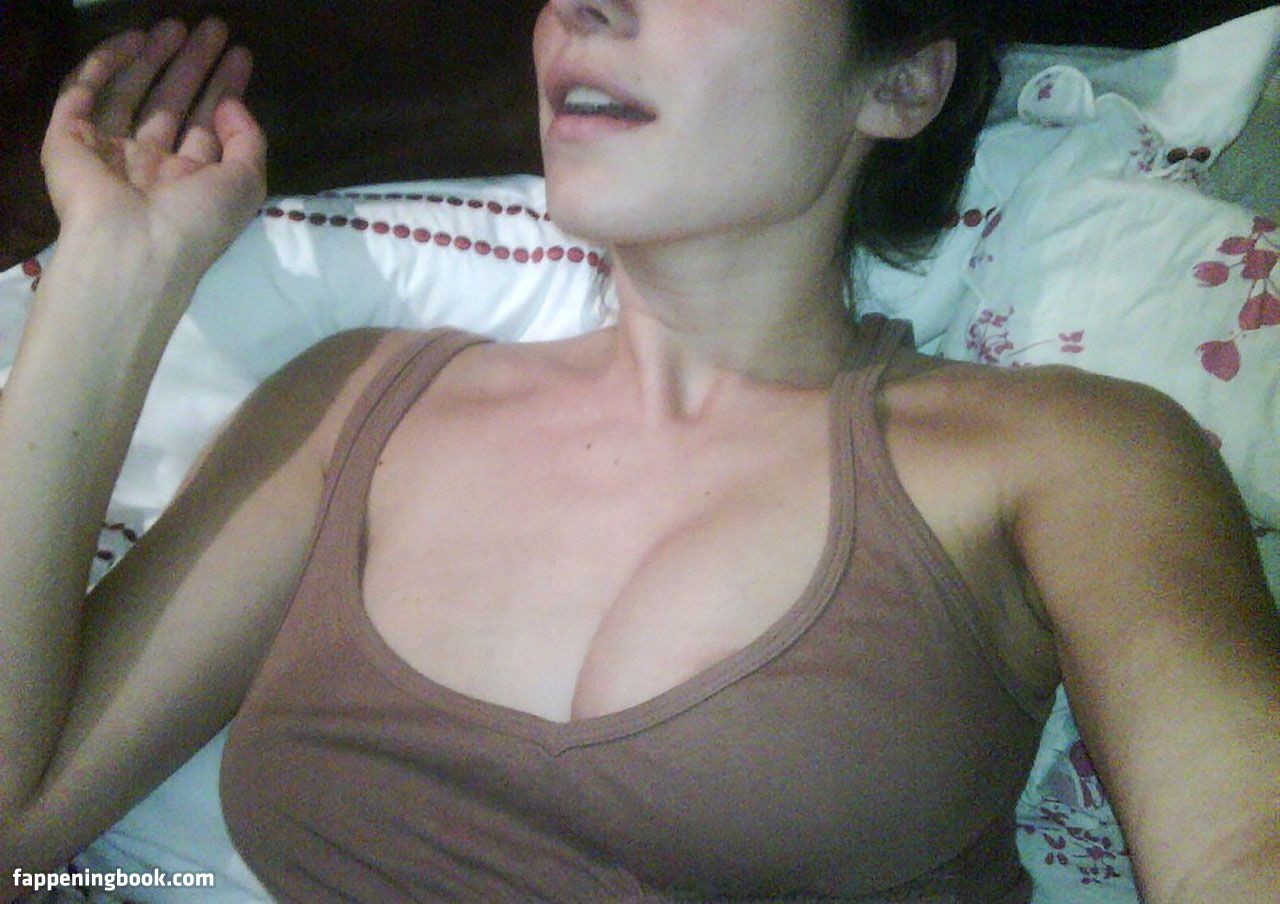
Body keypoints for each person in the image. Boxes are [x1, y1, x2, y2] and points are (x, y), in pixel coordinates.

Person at [1, 2, 1277, 900]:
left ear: (900, 83)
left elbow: (1239, 848)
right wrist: (112, 274)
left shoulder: (1069, 453)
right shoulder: (352, 403)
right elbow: (18, 835)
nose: (580, 9)